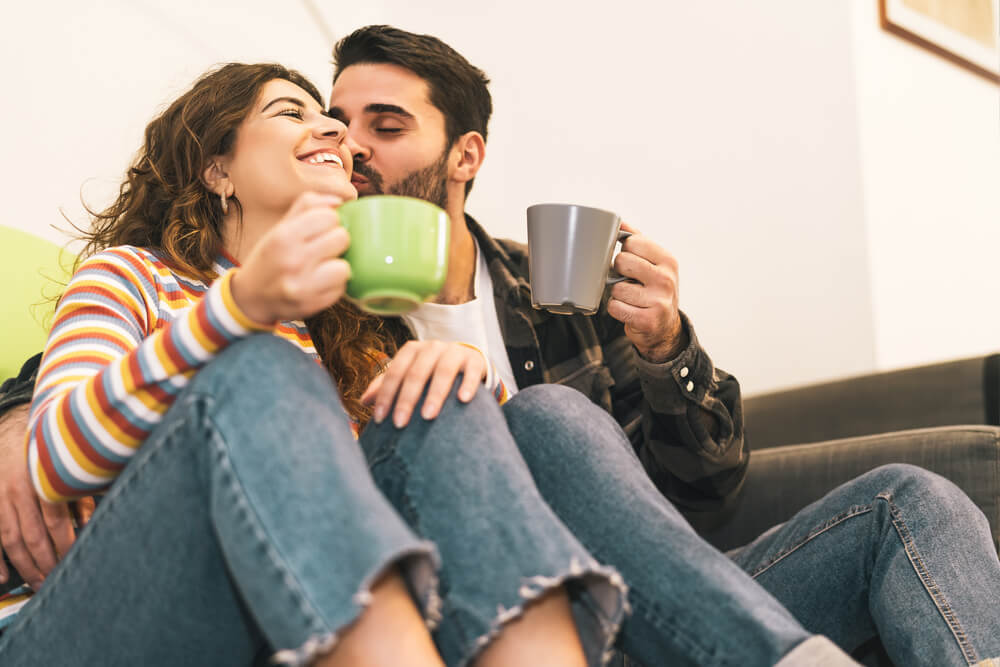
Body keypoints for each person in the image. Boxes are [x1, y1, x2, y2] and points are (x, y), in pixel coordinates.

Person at [2, 28, 1000, 667]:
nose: (344, 141)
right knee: (296, 371)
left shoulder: (383, 326)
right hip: (148, 597)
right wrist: (240, 307)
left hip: (618, 587)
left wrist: (660, 351)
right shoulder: (182, 290)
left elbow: (703, 484)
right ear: (216, 166)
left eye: (369, 126)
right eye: (310, 116)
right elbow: (69, 423)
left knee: (896, 493)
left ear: (464, 154)